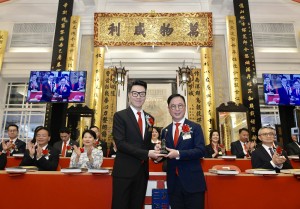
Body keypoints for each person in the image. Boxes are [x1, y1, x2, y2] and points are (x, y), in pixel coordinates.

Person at [111, 80, 162, 209]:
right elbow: (121, 144)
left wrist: (154, 148)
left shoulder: (149, 118)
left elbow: (145, 144)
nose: (138, 97)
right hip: (124, 172)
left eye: (142, 94)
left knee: (137, 205)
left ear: (145, 96)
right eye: (135, 93)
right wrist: (147, 153)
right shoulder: (120, 116)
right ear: (129, 94)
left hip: (142, 172)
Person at [161, 94, 206, 209]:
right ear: (169, 109)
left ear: (185, 107)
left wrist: (179, 154)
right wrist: (158, 156)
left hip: (193, 183)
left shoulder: (195, 127)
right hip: (173, 184)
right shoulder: (165, 131)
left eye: (180, 106)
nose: (177, 109)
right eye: (173, 106)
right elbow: (165, 154)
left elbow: (200, 150)